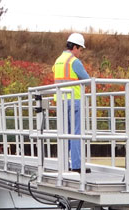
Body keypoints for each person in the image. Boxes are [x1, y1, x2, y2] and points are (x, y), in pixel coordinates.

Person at [52, 33, 91, 172]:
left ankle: (63, 164)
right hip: (74, 101)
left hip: (60, 101)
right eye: (80, 50)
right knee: (76, 133)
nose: (80, 53)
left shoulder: (58, 61)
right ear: (74, 47)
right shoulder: (74, 61)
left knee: (64, 133)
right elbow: (87, 79)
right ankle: (76, 166)